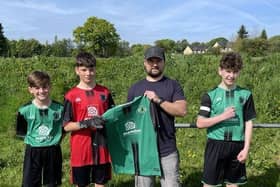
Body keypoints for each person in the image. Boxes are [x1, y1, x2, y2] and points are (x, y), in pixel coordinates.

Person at [127, 46, 187, 187]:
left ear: (164, 62)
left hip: (167, 150)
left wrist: (158, 100)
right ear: (144, 63)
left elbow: (182, 111)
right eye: (150, 61)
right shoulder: (135, 88)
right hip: (143, 151)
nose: (154, 64)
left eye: (158, 61)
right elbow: (129, 118)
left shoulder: (172, 85)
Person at [196, 52, 257, 187]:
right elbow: (200, 123)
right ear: (220, 71)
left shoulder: (246, 95)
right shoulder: (210, 95)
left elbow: (249, 123)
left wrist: (246, 148)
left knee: (233, 184)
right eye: (228, 71)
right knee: (210, 185)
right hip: (215, 145)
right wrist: (223, 116)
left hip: (237, 145)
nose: (231, 75)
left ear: (239, 72)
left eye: (235, 72)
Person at [63, 52, 115, 187]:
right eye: (84, 70)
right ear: (77, 70)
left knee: (100, 183)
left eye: (91, 69)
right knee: (82, 184)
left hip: (102, 146)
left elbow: (112, 116)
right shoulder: (71, 95)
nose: (88, 73)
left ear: (95, 69)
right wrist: (87, 123)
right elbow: (66, 126)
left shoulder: (105, 92)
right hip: (81, 148)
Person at [16, 70, 64, 187]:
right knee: (30, 183)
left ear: (50, 87)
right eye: (37, 88)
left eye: (44, 87)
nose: (41, 91)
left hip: (53, 150)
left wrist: (53, 140)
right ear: (30, 89)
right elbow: (21, 132)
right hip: (33, 151)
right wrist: (37, 140)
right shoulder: (24, 110)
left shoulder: (60, 108)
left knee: (51, 183)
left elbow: (64, 129)